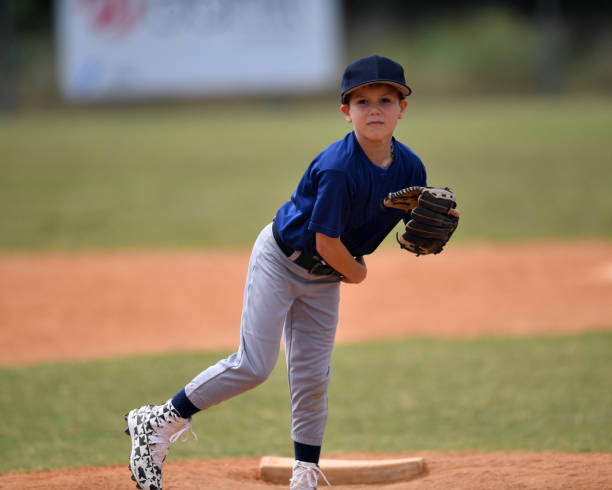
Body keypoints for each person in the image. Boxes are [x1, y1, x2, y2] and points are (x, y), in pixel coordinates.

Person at [125, 54, 456, 490]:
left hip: (325, 277)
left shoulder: (411, 168)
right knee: (253, 366)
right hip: (282, 261)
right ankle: (159, 421)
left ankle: (304, 474)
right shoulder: (339, 167)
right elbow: (326, 244)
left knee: (312, 376)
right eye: (362, 102)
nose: (374, 110)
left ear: (402, 108)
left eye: (385, 99)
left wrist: (439, 215)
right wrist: (358, 275)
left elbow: (409, 213)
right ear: (346, 111)